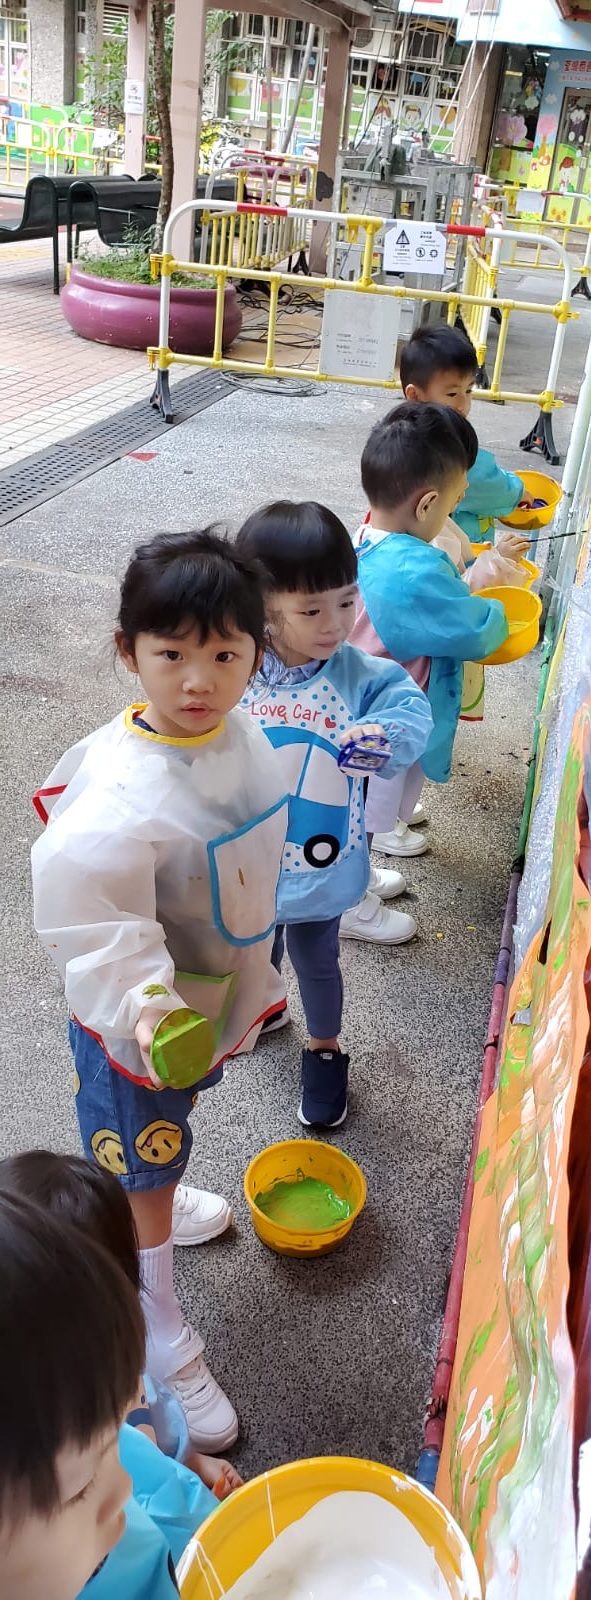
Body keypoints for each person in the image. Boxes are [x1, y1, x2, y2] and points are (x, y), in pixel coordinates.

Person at [31, 528, 289, 1455]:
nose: (198, 682)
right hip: (141, 1022)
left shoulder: (236, 735)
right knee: (142, 1140)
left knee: (164, 1132)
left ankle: (153, 1196)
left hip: (205, 995)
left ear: (256, 653)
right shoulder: (120, 791)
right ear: (127, 651)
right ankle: (158, 1330)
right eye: (171, 655)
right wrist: (146, 1005)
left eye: (224, 655)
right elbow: (94, 920)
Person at [235, 501, 433, 1130]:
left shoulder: (362, 675)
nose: (337, 623)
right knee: (254, 947)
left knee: (317, 958)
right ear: (263, 608)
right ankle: (265, 1005)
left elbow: (409, 712)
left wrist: (384, 736)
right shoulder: (235, 668)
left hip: (320, 861)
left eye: (347, 602)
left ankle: (324, 1048)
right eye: (312, 610)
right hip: (245, 859)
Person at [0, 1189, 216, 1600]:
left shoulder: (88, 1448)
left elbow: (162, 1479)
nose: (124, 1488)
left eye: (114, 1440)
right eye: (79, 1490)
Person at [0, 1149, 242, 1498]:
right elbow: (136, 1519)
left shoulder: (119, 1371)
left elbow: (151, 1413)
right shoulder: (46, 1463)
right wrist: (196, 1508)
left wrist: (189, 1462)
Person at [350, 402, 508, 878]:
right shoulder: (412, 568)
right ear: (426, 505)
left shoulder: (368, 538)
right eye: (454, 502)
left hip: (362, 702)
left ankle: (355, 878)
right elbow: (470, 630)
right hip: (386, 714)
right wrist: (500, 605)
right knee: (364, 807)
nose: (455, 510)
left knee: (359, 801)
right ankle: (353, 896)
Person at [399, 323, 536, 544]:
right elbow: (486, 483)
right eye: (452, 394)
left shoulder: (398, 433)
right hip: (453, 549)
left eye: (469, 390)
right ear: (415, 395)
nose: (463, 403)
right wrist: (518, 492)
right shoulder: (449, 447)